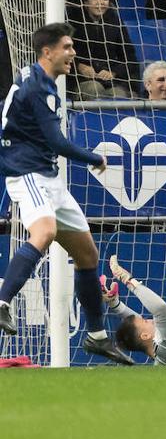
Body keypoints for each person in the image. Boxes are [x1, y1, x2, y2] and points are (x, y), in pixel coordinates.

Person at [0, 23, 132, 364]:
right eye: (68, 47)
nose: (73, 53)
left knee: (87, 254)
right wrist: (95, 158)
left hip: (48, 177)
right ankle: (2, 302)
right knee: (44, 232)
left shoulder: (35, 78)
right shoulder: (37, 87)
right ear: (48, 52)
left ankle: (97, 336)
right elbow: (57, 142)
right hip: (27, 173)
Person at [72, 0, 137, 99]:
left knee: (119, 95)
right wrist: (79, 66)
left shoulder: (115, 22)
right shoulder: (73, 20)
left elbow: (130, 59)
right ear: (86, 1)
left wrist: (113, 72)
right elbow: (61, 53)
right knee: (94, 88)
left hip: (111, 82)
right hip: (80, 81)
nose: (100, 2)